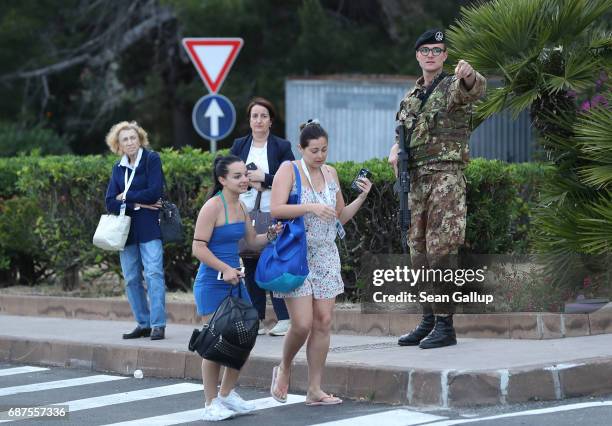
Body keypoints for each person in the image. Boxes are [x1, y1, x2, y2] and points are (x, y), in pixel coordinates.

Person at [388, 29, 486, 349]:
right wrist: (394, 151)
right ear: (417, 55)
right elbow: (403, 138)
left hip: (445, 177)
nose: (431, 54)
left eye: (437, 50)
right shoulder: (409, 99)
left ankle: (446, 325)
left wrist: (469, 75)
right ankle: (429, 318)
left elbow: (472, 90)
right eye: (425, 49)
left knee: (441, 250)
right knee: (417, 251)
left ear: (444, 56)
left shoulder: (451, 87)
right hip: (415, 182)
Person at [269, 120, 372, 406]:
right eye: (314, 150)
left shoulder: (331, 173)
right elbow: (276, 208)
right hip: (297, 253)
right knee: (301, 324)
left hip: (327, 253)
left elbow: (340, 216)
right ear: (301, 148)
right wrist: (310, 207)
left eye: (324, 149)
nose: (320, 155)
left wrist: (362, 196)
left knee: (324, 321)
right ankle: (286, 366)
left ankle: (315, 389)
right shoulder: (289, 170)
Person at [192, 155, 282, 421]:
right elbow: (198, 247)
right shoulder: (212, 207)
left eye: (245, 175)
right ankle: (210, 403)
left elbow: (252, 242)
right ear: (222, 180)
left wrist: (273, 235)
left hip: (236, 281)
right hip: (212, 283)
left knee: (244, 339)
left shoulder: (241, 207)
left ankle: (227, 394)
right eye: (237, 176)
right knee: (215, 344)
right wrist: (225, 268)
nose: (245, 180)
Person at [230, 97, 294, 336]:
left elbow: (289, 176)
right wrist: (249, 182)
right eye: (254, 116)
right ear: (249, 120)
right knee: (250, 262)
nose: (258, 120)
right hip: (245, 212)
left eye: (263, 116)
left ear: (270, 121)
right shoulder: (239, 145)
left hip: (273, 213)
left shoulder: (281, 146)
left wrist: (264, 179)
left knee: (273, 264)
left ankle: (284, 318)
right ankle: (255, 318)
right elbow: (227, 172)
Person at [105, 121, 167, 341]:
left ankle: (158, 324)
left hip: (149, 227)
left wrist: (126, 196)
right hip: (127, 231)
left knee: (153, 274)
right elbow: (110, 202)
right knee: (131, 278)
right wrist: (135, 204)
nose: (130, 142)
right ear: (118, 145)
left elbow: (154, 193)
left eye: (133, 138)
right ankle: (143, 323)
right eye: (125, 140)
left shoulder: (151, 159)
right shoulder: (117, 167)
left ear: (140, 139)